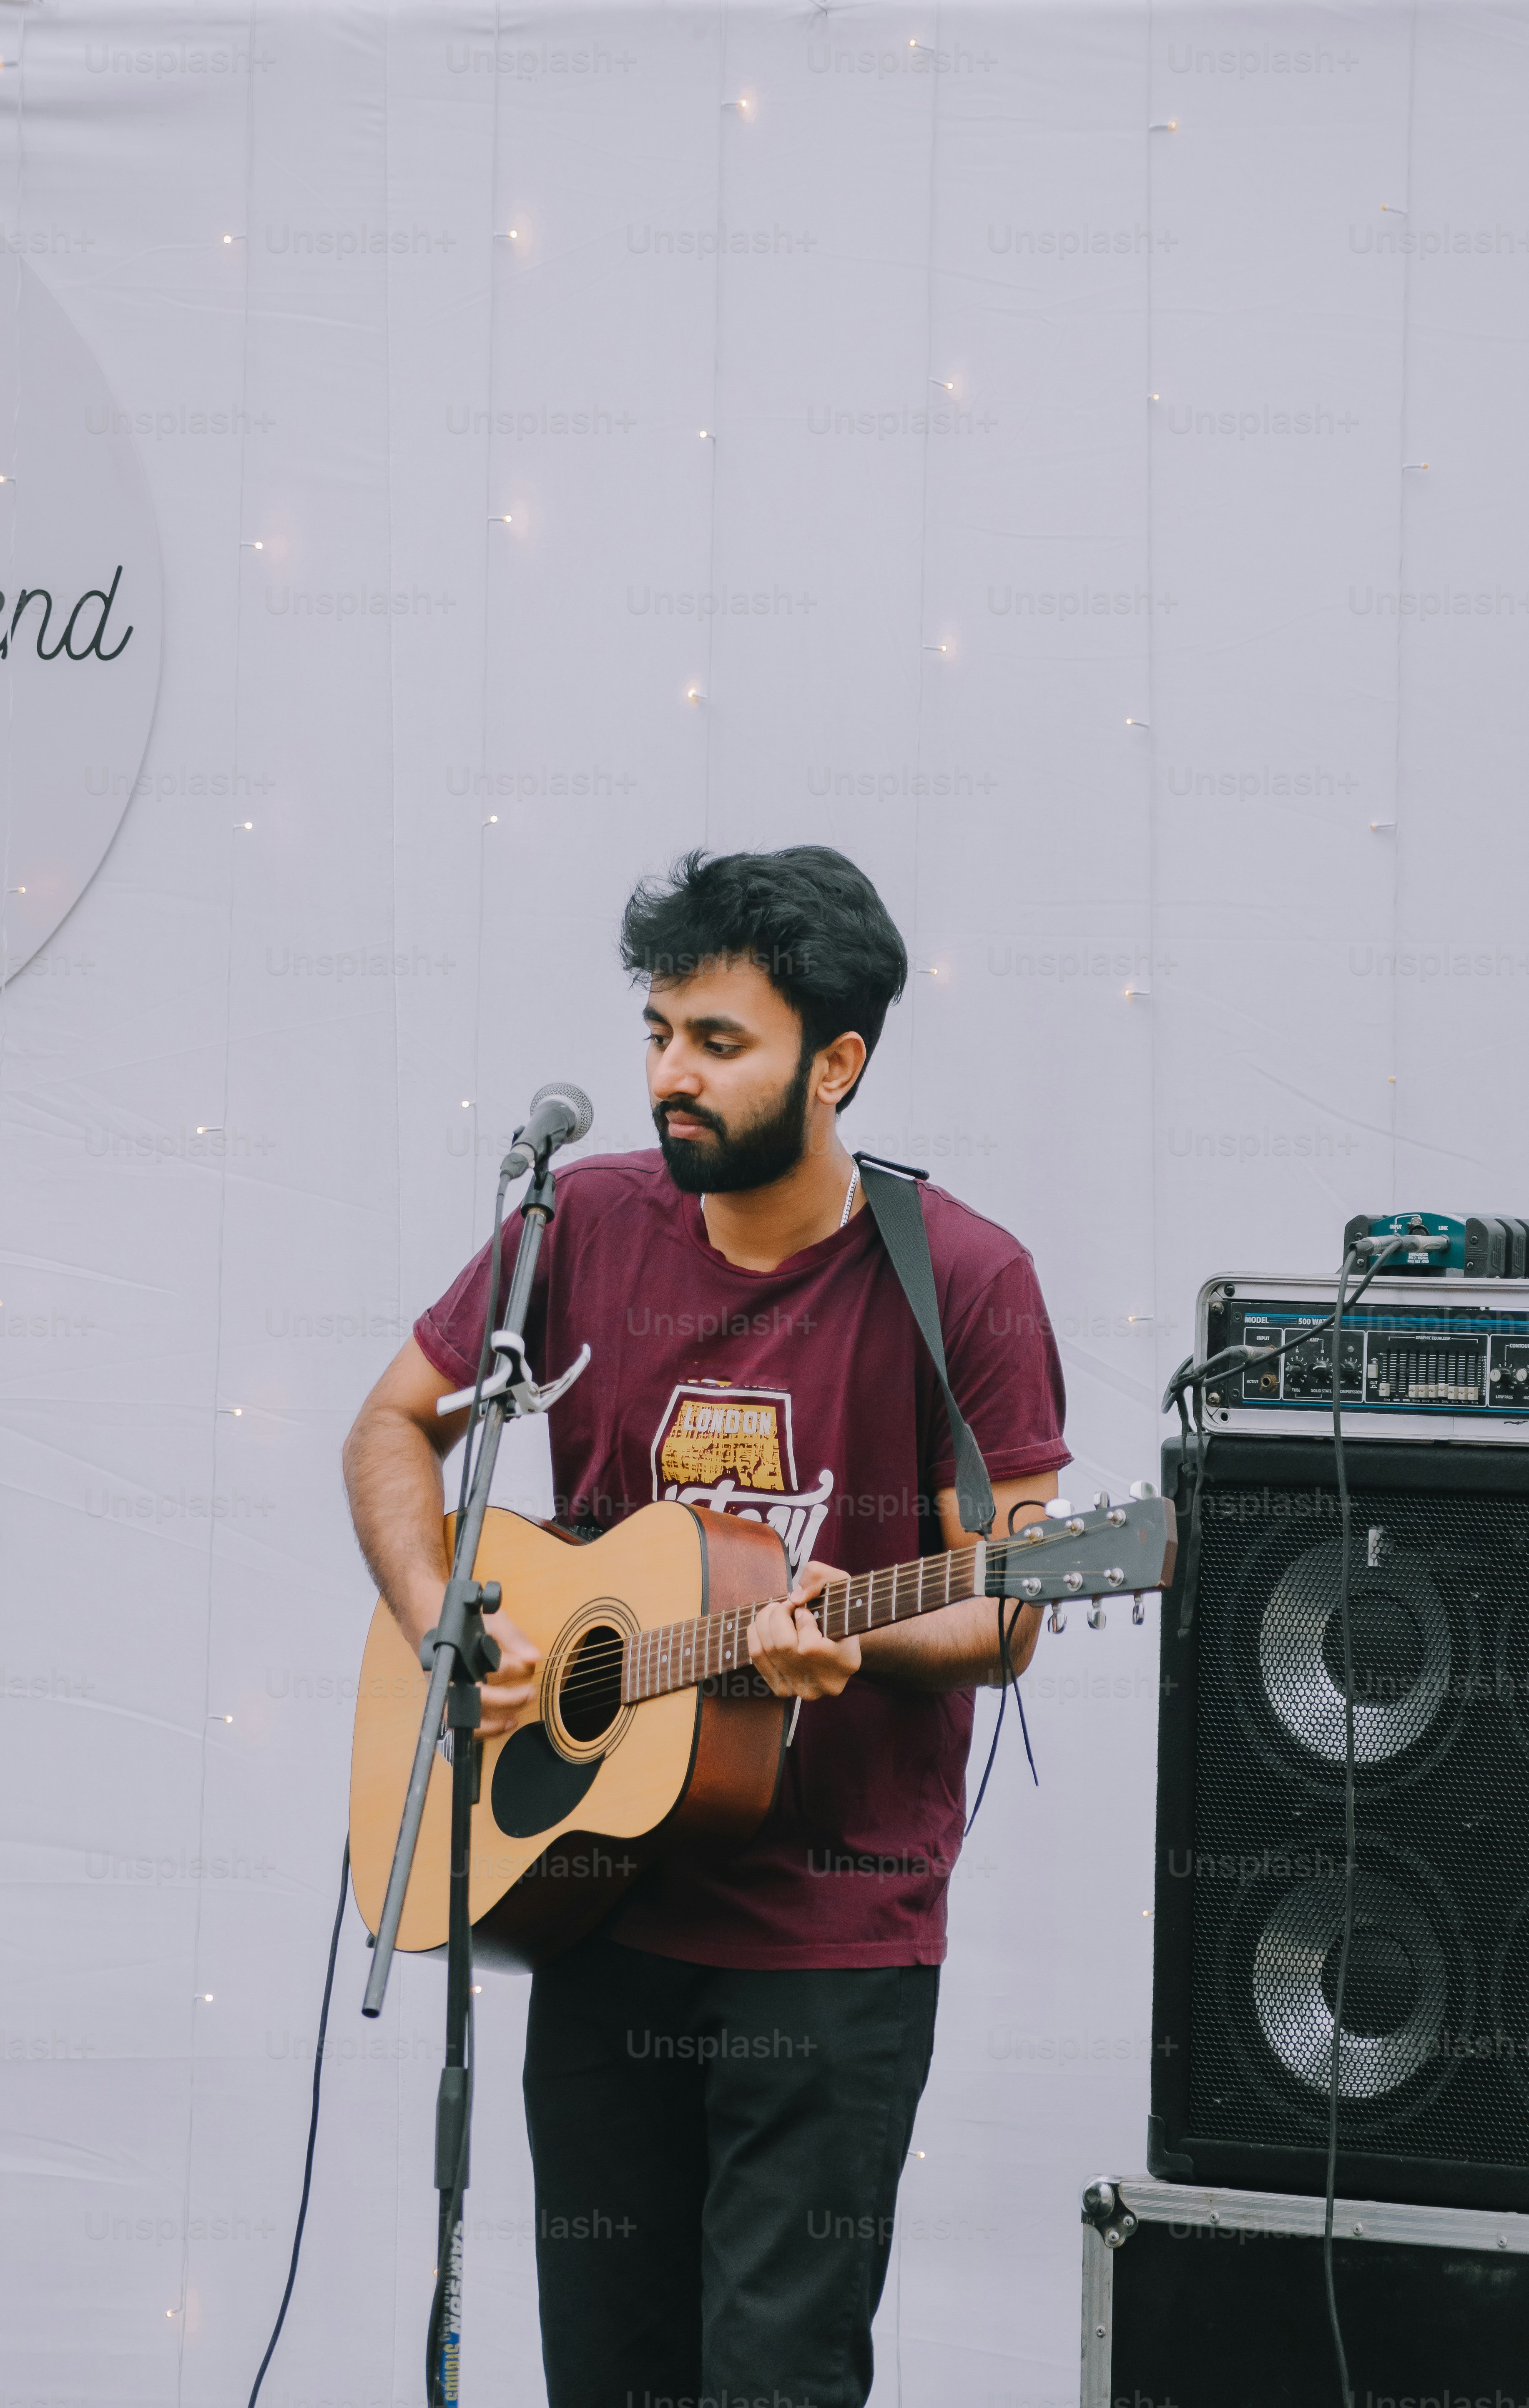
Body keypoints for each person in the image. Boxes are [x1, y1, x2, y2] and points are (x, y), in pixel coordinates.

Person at [342, 845, 1070, 2408]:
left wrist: (857, 1641)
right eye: (659, 1032)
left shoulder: (963, 1283)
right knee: (607, 2377)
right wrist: (440, 1616)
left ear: (838, 1064)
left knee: (773, 2380)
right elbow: (392, 1432)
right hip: (590, 1898)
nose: (670, 1075)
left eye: (717, 1044)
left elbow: (1010, 1605)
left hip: (830, 1939)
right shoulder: (578, 1228)